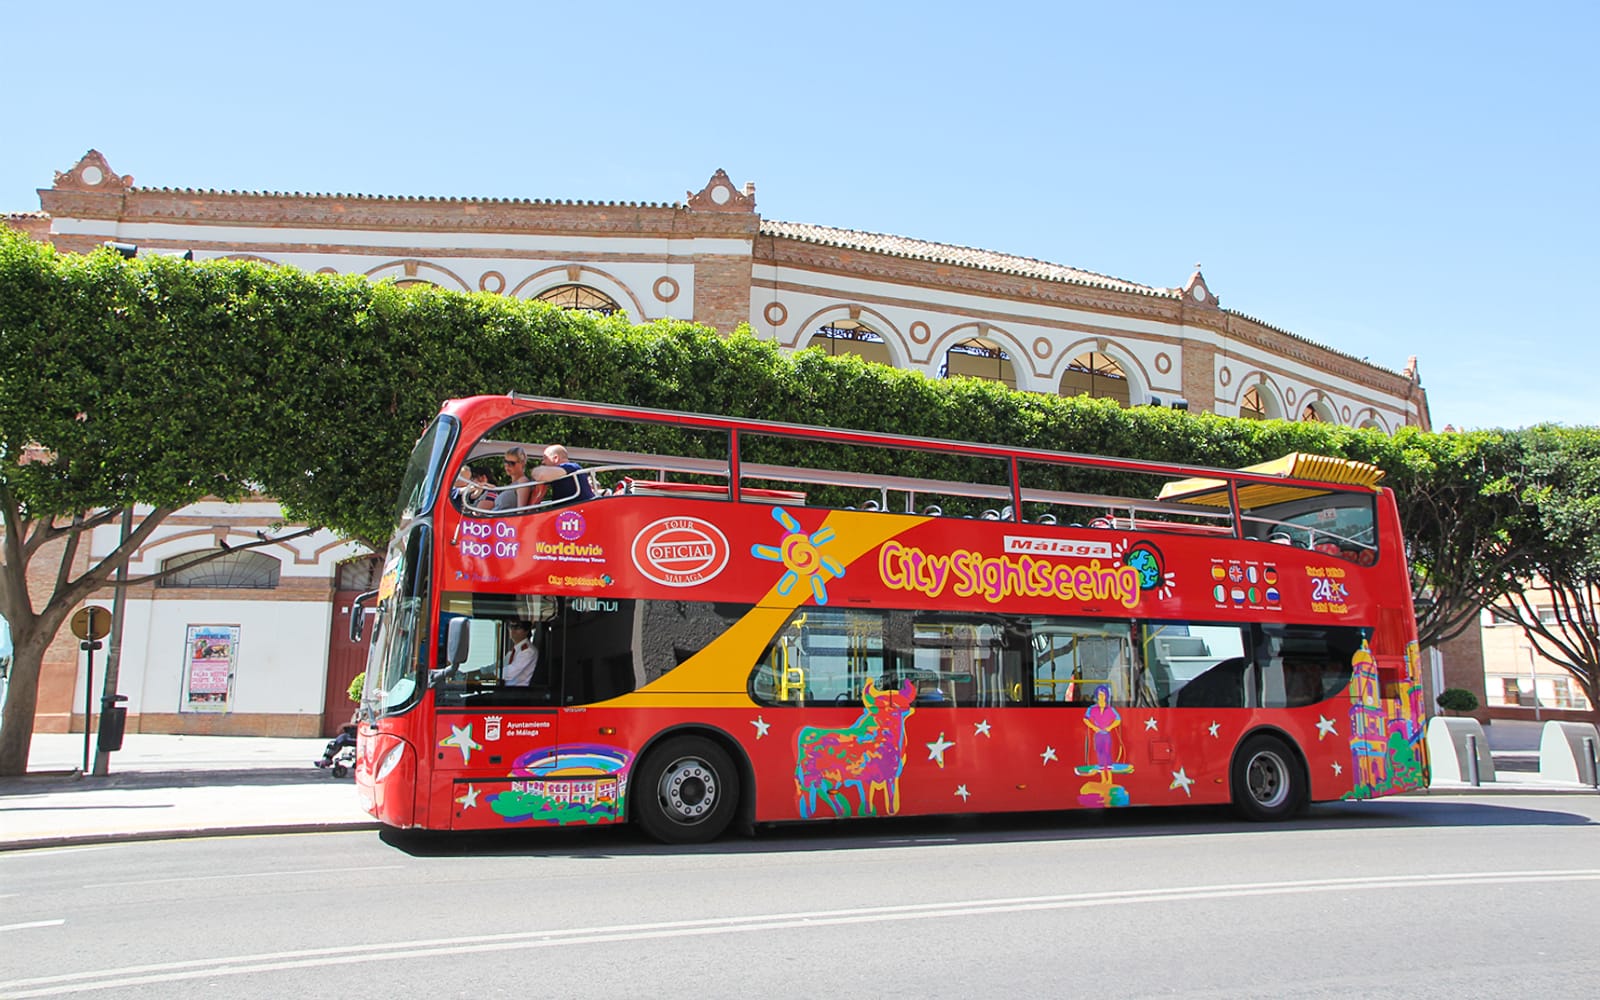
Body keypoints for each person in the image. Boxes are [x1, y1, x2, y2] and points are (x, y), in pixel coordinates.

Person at [530, 444, 597, 504]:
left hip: (580, 512)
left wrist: (534, 471)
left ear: (555, 458)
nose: (543, 462)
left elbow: (541, 475)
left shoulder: (571, 467)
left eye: (545, 458)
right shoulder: (561, 473)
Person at [493, 448, 538, 512]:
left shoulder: (523, 482)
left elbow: (520, 511)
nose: (507, 466)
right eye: (505, 462)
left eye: (511, 463)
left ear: (522, 463)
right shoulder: (513, 484)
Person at [502, 619, 539, 685]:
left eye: (517, 627)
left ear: (526, 631)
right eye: (511, 627)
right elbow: (500, 664)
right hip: (508, 691)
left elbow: (509, 673)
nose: (512, 630)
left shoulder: (528, 651)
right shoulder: (515, 649)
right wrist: (482, 671)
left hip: (518, 692)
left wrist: (489, 674)